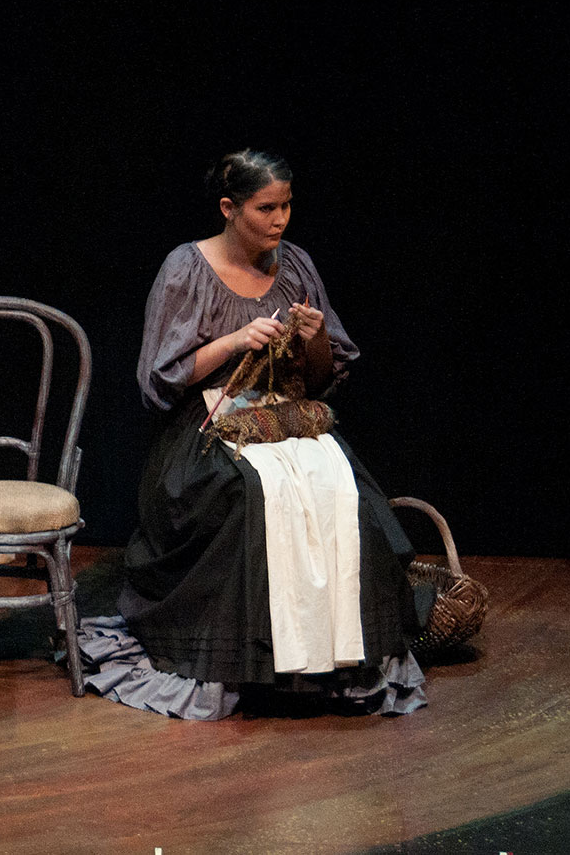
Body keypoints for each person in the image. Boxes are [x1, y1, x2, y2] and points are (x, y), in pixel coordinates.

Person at [88, 149, 426, 721]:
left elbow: (322, 379)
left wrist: (314, 338)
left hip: (284, 420)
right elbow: (158, 381)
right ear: (229, 208)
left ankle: (337, 659)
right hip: (204, 428)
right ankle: (250, 658)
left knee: (351, 495)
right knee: (246, 498)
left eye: (287, 206)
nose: (280, 220)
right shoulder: (185, 268)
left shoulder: (295, 265)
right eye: (266, 208)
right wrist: (233, 340)